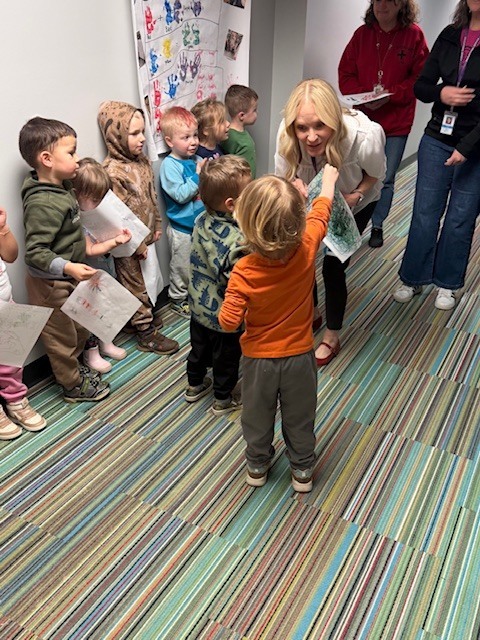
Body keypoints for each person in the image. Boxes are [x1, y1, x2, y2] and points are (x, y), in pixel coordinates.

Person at [218, 165, 338, 492]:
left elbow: (228, 322)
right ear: (296, 223)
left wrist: (231, 299)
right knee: (301, 417)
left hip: (259, 361)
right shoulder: (306, 248)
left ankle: (257, 465)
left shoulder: (243, 271)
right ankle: (302, 470)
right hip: (301, 357)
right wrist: (326, 182)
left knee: (256, 417)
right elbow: (321, 214)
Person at [275, 79, 386, 366]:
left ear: (334, 121)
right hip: (310, 199)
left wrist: (357, 195)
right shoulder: (287, 135)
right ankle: (312, 312)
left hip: (353, 198)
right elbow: (284, 173)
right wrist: (295, 182)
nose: (311, 137)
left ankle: (332, 335)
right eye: (302, 128)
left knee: (333, 265)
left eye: (320, 126)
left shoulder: (364, 136)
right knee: (304, 255)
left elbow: (376, 175)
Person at [393, 0, 480, 311]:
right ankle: (412, 276)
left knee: (460, 218)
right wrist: (441, 92)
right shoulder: (449, 34)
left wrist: (465, 148)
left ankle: (447, 283)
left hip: (475, 146)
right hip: (436, 138)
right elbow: (421, 86)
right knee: (425, 213)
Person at [19, 116, 110, 402]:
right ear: (46, 159)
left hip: (68, 278)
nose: (77, 158)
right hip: (49, 285)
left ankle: (77, 371)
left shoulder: (62, 187)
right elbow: (35, 252)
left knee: (80, 328)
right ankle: (72, 386)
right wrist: (67, 266)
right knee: (62, 339)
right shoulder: (42, 203)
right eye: (71, 153)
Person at [339, 0, 429, 248]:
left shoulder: (414, 36)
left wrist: (392, 94)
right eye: (377, 0)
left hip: (396, 123)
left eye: (389, 0)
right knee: (357, 176)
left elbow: (421, 77)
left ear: (401, 5)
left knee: (385, 178)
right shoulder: (362, 34)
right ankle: (353, 226)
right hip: (364, 122)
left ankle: (377, 225)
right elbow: (345, 73)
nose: (382, 5)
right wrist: (366, 96)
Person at [98, 101, 179, 355]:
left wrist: (156, 223)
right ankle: (145, 333)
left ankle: (141, 319)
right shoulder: (111, 171)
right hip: (127, 242)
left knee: (149, 279)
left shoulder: (141, 161)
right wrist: (137, 243)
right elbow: (115, 215)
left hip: (145, 235)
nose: (142, 138)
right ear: (116, 135)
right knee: (134, 285)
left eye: (142, 131)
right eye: (134, 133)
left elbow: (151, 195)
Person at [185, 155, 251, 415]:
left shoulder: (201, 219)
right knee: (226, 359)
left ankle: (194, 384)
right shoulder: (235, 240)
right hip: (224, 315)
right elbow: (234, 277)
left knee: (199, 349)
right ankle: (223, 399)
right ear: (231, 204)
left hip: (198, 307)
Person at [72, 157, 131, 373]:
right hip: (90, 273)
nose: (99, 204)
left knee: (107, 306)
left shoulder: (96, 215)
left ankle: (107, 341)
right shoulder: (78, 221)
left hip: (105, 268)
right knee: (91, 314)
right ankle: (92, 352)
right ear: (78, 195)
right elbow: (89, 250)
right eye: (95, 199)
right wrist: (114, 241)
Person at [0, 206, 47, 439]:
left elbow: (10, 255)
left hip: (5, 301)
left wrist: (3, 229)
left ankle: (16, 400)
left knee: (12, 359)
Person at [159, 106, 206, 317]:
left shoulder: (195, 160)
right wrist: (197, 176)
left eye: (195, 135)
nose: (193, 141)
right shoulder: (170, 165)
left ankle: (194, 294)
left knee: (197, 263)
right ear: (170, 141)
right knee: (181, 267)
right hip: (181, 229)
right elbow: (179, 194)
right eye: (185, 137)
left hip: (199, 224)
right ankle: (177, 298)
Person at [221, 84, 258, 177]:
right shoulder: (229, 137)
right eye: (254, 110)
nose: (257, 113)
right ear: (242, 115)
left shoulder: (242, 133)